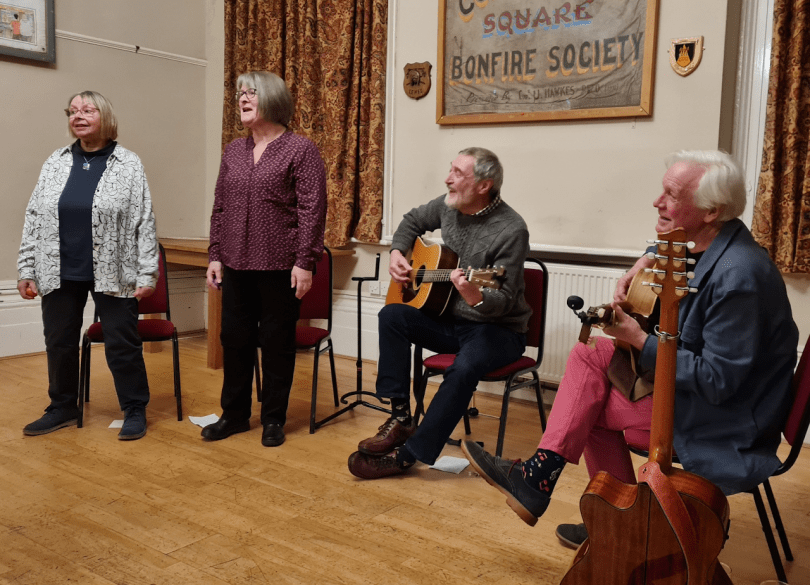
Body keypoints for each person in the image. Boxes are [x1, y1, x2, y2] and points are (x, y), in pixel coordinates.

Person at [462, 150, 798, 548]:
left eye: (671, 195)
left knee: (587, 406)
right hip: (709, 396)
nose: (658, 202)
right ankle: (595, 506)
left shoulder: (741, 277)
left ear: (712, 210)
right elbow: (671, 247)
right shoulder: (714, 241)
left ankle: (607, 515)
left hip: (728, 419)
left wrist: (639, 339)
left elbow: (718, 381)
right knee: (589, 356)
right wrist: (641, 262)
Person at [347, 147, 532, 479]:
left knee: (464, 367)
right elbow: (412, 220)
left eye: (458, 174)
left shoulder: (511, 229)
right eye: (451, 169)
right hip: (451, 319)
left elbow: (504, 299)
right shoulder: (449, 206)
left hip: (498, 330)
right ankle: (401, 417)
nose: (448, 179)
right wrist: (396, 253)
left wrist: (476, 296)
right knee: (392, 316)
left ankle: (409, 456)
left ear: (483, 186)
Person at [18, 90, 159, 440]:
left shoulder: (128, 163)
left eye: (88, 110)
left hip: (115, 268)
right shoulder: (56, 161)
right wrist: (27, 267)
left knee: (121, 343)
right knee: (59, 342)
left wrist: (147, 271)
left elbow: (144, 220)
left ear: (105, 117)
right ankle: (62, 406)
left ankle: (134, 409)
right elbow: (34, 215)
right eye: (73, 111)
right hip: (58, 267)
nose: (78, 116)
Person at [203, 71, 327, 447]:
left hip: (280, 266)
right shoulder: (232, 151)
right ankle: (234, 415)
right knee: (234, 339)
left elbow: (312, 209)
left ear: (272, 99)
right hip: (235, 263)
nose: (242, 98)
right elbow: (220, 207)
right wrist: (215, 255)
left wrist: (304, 261)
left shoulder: (300, 149)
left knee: (275, 343)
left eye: (251, 92)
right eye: (239, 93)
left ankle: (273, 418)